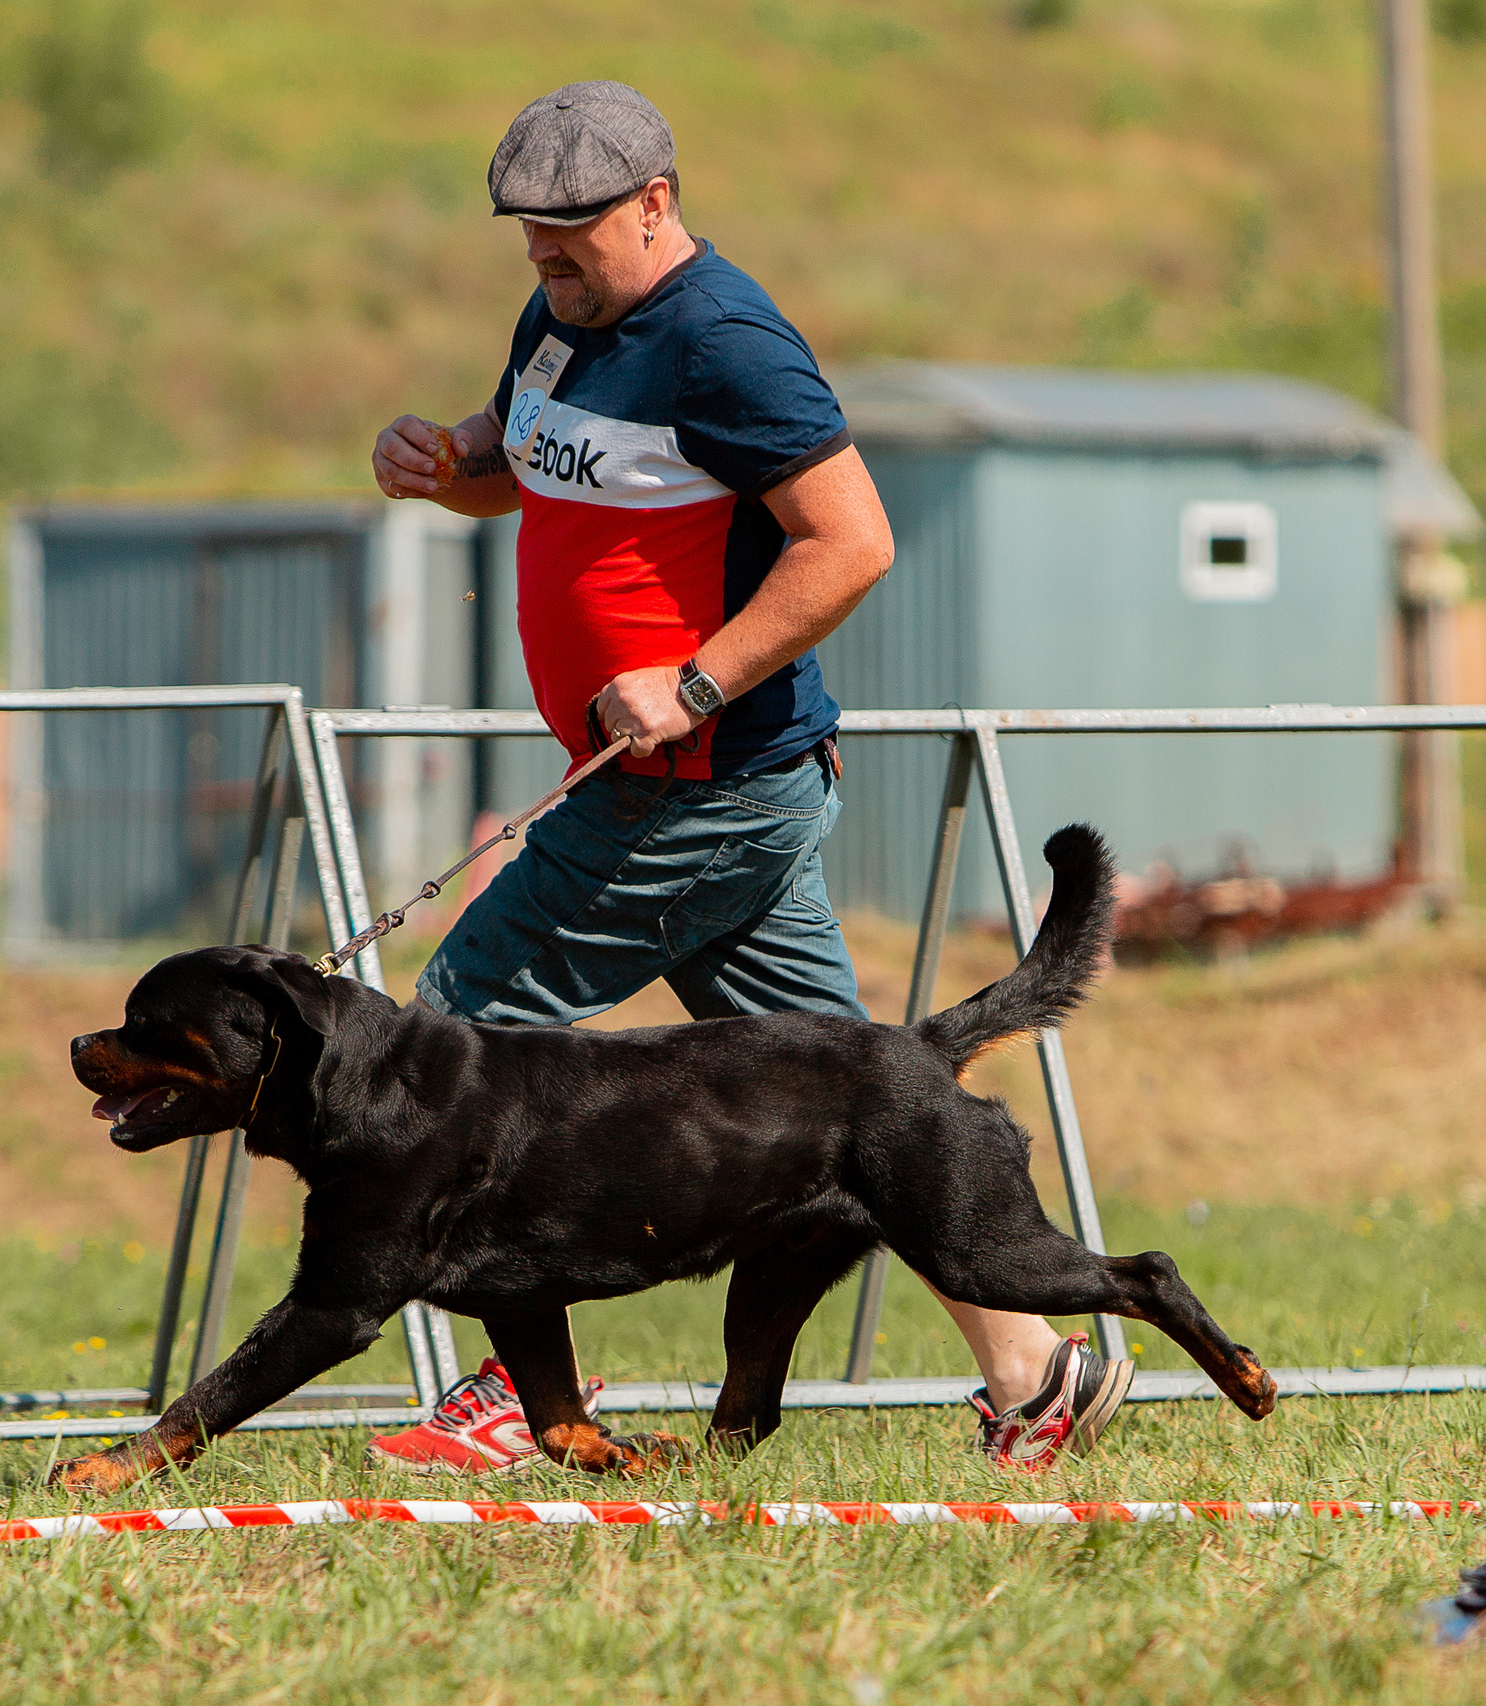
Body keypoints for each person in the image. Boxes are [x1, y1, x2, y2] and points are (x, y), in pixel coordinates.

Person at [360, 81, 1130, 1474]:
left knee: (462, 1037)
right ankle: (1038, 1366)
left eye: (573, 232)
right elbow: (526, 462)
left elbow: (851, 542)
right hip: (725, 790)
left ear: (656, 202)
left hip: (694, 783)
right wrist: (443, 459)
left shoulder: (728, 342)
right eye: (528, 237)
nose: (546, 258)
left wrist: (696, 678)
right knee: (865, 1109)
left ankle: (525, 1392)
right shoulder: (562, 316)